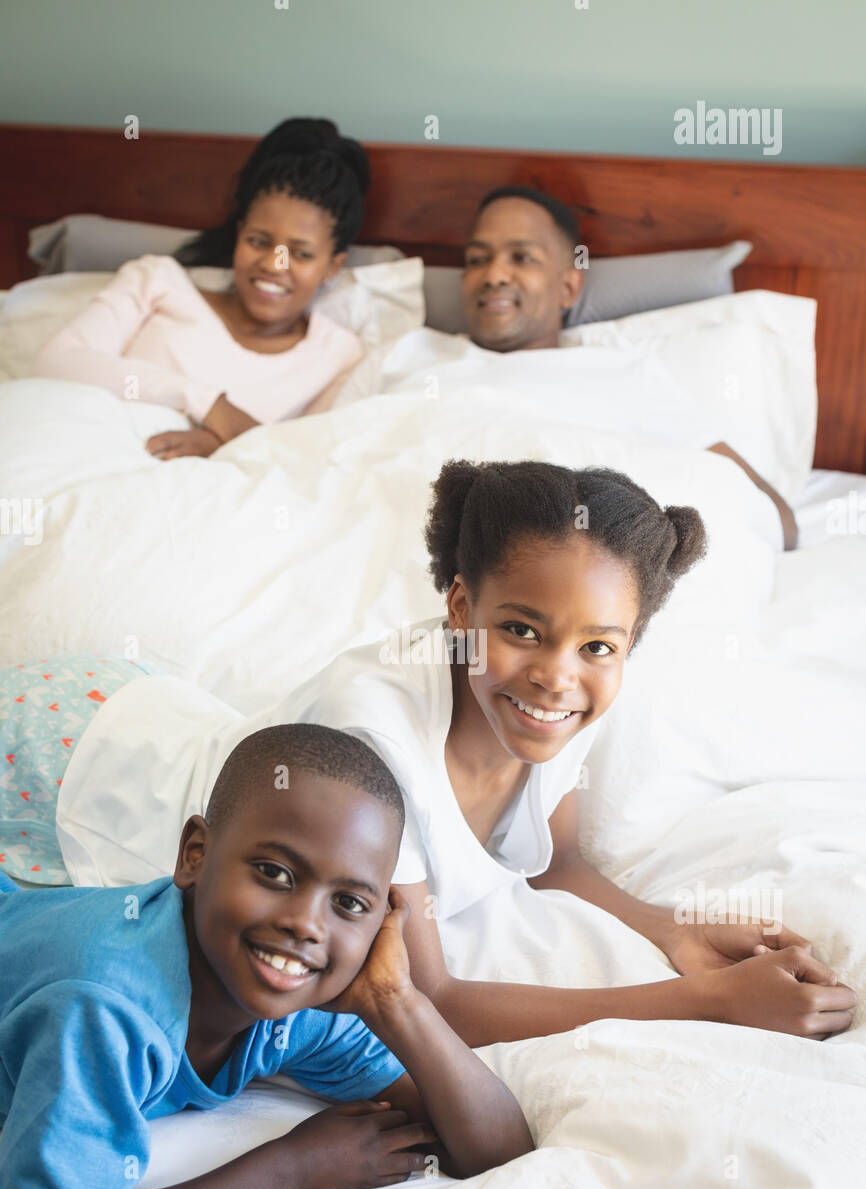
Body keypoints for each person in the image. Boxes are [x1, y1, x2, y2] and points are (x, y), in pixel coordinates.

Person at [38, 464, 855, 1046]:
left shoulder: (572, 697)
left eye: (599, 645)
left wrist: (674, 932)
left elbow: (554, 860)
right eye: (521, 630)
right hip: (77, 765)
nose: (556, 674)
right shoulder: (375, 741)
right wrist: (706, 1003)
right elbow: (431, 1001)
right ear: (461, 606)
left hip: (152, 718)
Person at [0, 722, 532, 1189]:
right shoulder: (105, 1009)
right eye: (275, 873)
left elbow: (496, 1150)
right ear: (195, 854)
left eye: (349, 903)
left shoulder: (298, 1002)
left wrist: (396, 1001)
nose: (307, 923)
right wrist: (289, 1169)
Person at [326, 185, 797, 549]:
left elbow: (771, 514)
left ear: (569, 287)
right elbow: (308, 461)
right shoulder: (402, 356)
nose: (494, 274)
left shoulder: (624, 375)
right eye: (477, 259)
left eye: (522, 257)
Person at [32, 118, 367, 458]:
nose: (273, 264)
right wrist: (207, 405)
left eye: (301, 253)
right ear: (240, 234)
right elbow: (54, 363)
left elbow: (309, 460)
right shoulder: (157, 282)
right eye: (259, 241)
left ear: (332, 266)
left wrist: (220, 446)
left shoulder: (338, 354)